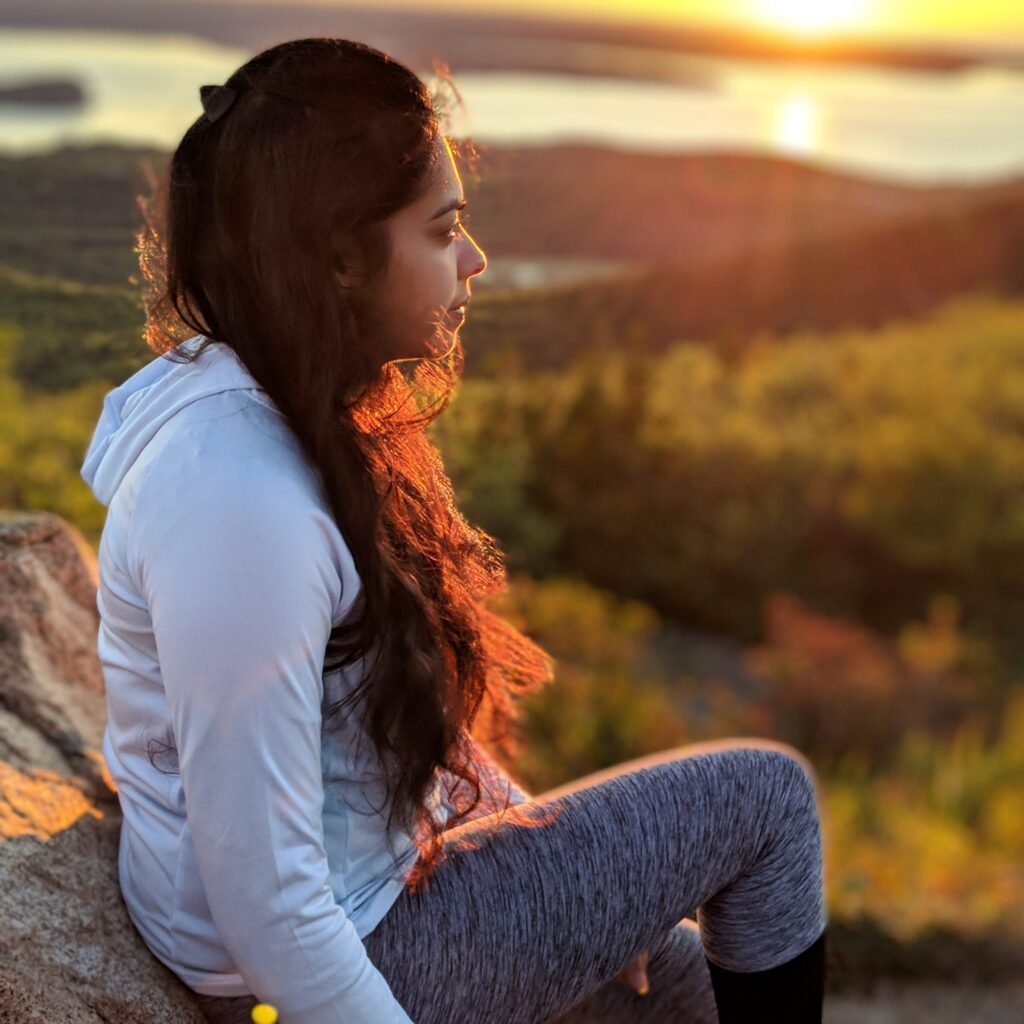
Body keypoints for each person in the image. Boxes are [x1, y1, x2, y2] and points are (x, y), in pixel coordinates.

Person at [81, 37, 828, 1024]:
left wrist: (571, 871)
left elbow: (373, 726)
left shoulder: (286, 408)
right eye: (440, 233)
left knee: (675, 973)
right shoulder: (237, 501)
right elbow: (265, 901)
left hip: (368, 901)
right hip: (336, 954)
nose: (473, 261)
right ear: (342, 259)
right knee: (766, 801)